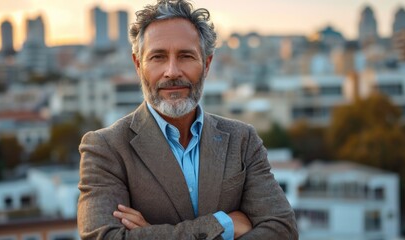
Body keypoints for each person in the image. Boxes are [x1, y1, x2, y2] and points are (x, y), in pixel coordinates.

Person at [77, 0, 298, 239]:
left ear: (207, 64)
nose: (172, 71)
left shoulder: (242, 140)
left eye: (185, 56)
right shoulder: (106, 149)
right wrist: (224, 224)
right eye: (158, 57)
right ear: (138, 65)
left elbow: (282, 229)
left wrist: (152, 234)